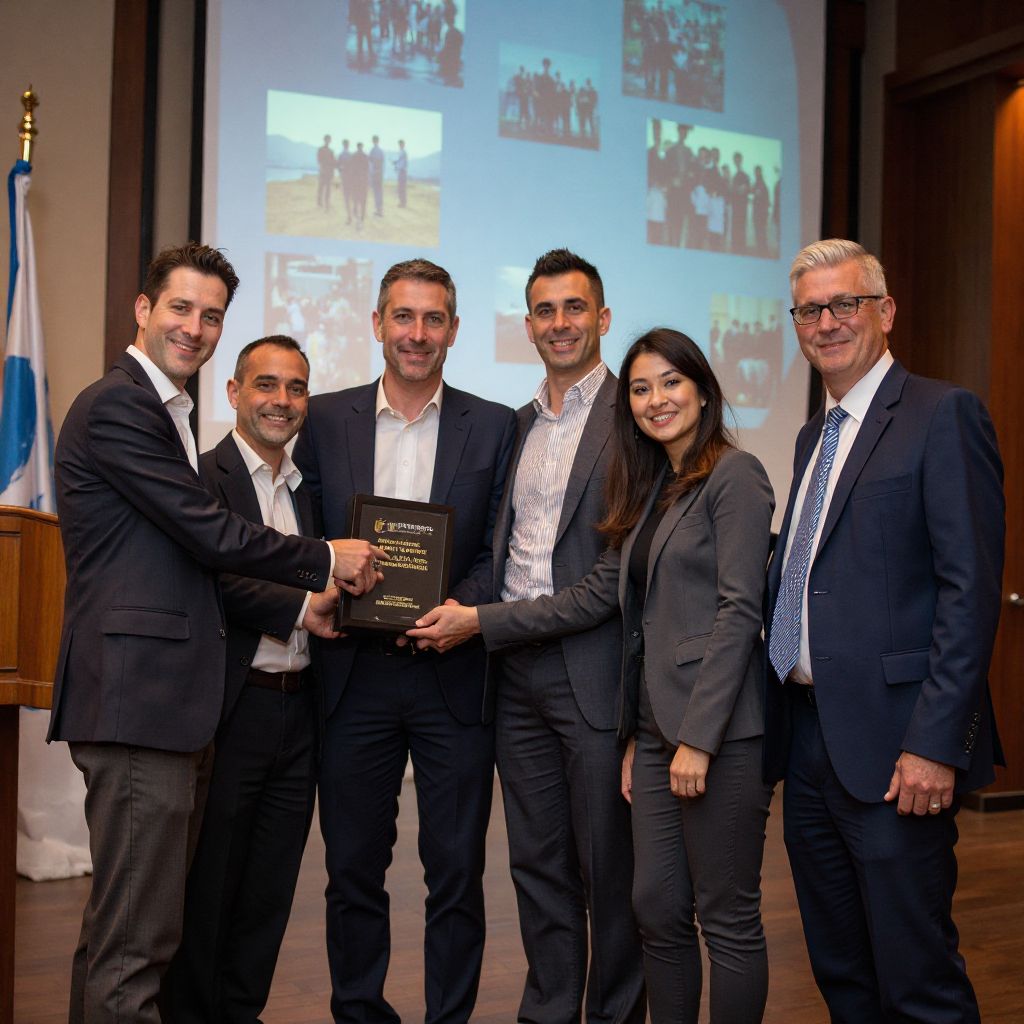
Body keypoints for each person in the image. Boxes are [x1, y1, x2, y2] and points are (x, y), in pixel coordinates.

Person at [50, 242, 382, 1024]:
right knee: (137, 949)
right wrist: (325, 557)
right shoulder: (122, 405)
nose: (194, 327)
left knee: (123, 935)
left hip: (164, 709)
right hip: (141, 705)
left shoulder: (161, 411)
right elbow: (209, 536)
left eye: (210, 315)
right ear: (143, 309)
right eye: (180, 308)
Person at [412, 329, 776, 1023]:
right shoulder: (660, 483)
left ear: (702, 389)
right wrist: (645, 732)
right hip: (652, 727)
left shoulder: (735, 474)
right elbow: (648, 624)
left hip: (714, 732)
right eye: (642, 388)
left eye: (670, 383)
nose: (655, 399)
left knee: (721, 918)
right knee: (654, 908)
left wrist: (696, 737)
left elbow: (737, 616)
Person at [765, 239, 1005, 1022]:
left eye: (845, 304)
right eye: (810, 309)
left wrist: (937, 742)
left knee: (918, 979)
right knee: (843, 973)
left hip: (900, 750)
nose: (827, 322)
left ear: (885, 311)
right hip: (807, 744)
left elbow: (969, 594)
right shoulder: (811, 437)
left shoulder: (942, 414)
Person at [416, 249, 646, 1023]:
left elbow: (608, 585)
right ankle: (548, 1012)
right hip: (513, 683)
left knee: (608, 874)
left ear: (603, 319)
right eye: (545, 311)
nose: (560, 324)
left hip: (591, 676)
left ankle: (614, 1014)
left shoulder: (635, 422)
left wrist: (482, 622)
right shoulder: (513, 427)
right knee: (537, 869)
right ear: (528, 326)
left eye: (574, 308)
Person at [292, 259, 516, 1024]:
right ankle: (359, 1012)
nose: (417, 334)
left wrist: (466, 607)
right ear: (379, 322)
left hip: (452, 672)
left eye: (433, 319)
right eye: (403, 317)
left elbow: (498, 545)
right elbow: (304, 532)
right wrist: (321, 587)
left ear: (454, 329)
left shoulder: (493, 425)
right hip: (353, 676)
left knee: (454, 871)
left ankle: (447, 1017)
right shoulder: (324, 419)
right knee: (353, 867)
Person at [161, 336, 333, 1022]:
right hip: (233, 712)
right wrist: (302, 607)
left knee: (269, 889)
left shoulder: (308, 490)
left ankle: (240, 1013)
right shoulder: (203, 479)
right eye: (266, 385)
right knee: (211, 886)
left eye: (295, 389)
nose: (281, 401)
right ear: (233, 393)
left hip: (300, 716)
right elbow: (213, 579)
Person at [337, 138, 354, 224]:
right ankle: (353, 215)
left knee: (347, 198)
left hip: (345, 178)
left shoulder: (341, 155)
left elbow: (338, 167)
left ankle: (349, 217)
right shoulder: (351, 155)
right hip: (350, 179)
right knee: (351, 197)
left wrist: (342, 171)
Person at [317, 134, 335, 210]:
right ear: (324, 140)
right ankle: (319, 202)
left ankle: (327, 202)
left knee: (328, 188)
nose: (328, 141)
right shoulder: (320, 149)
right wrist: (323, 168)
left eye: (329, 140)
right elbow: (319, 160)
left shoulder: (331, 151)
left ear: (330, 141)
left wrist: (332, 171)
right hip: (323, 171)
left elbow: (333, 162)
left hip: (329, 172)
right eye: (327, 139)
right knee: (321, 188)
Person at [369, 134, 384, 217]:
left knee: (376, 192)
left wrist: (371, 174)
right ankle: (380, 210)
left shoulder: (372, 151)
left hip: (375, 174)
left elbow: (371, 163)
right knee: (379, 192)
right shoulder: (381, 151)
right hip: (379, 173)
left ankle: (378, 210)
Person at [393, 138, 408, 208]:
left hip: (402, 172)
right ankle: (402, 202)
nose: (400, 145)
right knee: (401, 187)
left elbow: (402, 163)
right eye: (399, 144)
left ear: (403, 145)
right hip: (401, 171)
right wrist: (396, 163)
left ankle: (403, 203)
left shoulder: (403, 152)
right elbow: (400, 161)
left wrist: (396, 165)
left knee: (401, 188)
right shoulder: (401, 152)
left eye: (401, 144)